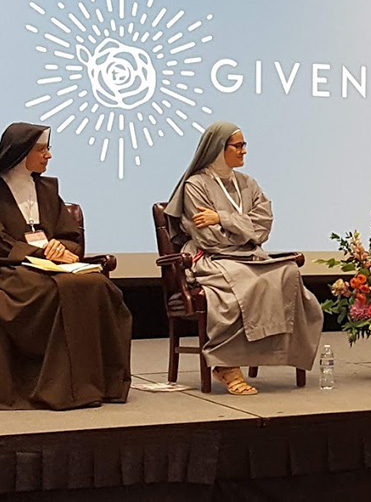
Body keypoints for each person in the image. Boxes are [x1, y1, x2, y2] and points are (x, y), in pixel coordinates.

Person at [164, 121, 323, 395]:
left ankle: (276, 353)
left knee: (288, 273)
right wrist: (242, 230)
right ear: (217, 148)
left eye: (244, 145)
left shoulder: (248, 183)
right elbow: (209, 238)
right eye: (237, 146)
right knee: (243, 280)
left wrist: (223, 218)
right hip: (213, 258)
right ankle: (226, 364)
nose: (243, 152)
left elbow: (263, 227)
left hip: (249, 255)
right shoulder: (196, 185)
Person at [0, 122, 132, 410]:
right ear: (22, 153)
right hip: (11, 268)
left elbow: (69, 235)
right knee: (47, 290)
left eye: (48, 149)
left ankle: (99, 384)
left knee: (98, 285)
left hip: (52, 266)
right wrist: (40, 251)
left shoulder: (47, 189)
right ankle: (59, 387)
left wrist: (61, 248)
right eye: (42, 150)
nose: (48, 156)